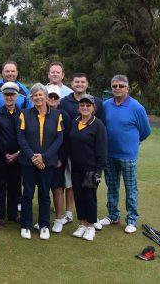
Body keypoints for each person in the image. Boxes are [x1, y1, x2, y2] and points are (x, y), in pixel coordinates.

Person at [99, 75, 151, 234]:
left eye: (121, 86)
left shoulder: (137, 107)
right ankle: (113, 215)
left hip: (128, 156)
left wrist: (132, 143)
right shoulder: (105, 105)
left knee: (130, 188)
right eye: (114, 86)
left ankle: (132, 219)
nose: (118, 89)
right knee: (112, 186)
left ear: (127, 88)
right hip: (109, 154)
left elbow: (145, 131)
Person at [17, 83, 63, 240]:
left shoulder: (57, 115)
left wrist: (43, 157)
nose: (37, 97)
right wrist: (33, 157)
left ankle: (44, 225)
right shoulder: (24, 114)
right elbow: (21, 138)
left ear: (46, 96)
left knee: (44, 194)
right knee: (28, 194)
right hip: (28, 162)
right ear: (31, 98)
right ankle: (26, 225)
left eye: (40, 94)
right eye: (34, 95)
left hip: (47, 162)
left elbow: (59, 139)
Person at [67, 95, 107, 241]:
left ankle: (91, 226)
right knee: (78, 195)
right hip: (76, 167)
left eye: (88, 105)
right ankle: (82, 223)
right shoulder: (75, 121)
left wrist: (99, 170)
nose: (85, 108)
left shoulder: (98, 125)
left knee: (89, 197)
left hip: (91, 168)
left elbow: (102, 150)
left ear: (93, 108)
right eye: (82, 105)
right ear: (79, 107)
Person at [0, 82, 22, 227]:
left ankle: (12, 213)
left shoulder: (23, 114)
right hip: (1, 156)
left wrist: (17, 154)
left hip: (18, 156)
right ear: (2, 96)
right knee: (0, 186)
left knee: (15, 187)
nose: (9, 98)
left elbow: (24, 136)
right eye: (6, 95)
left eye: (12, 95)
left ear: (16, 96)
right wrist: (5, 154)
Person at [46, 85, 71, 234]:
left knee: (57, 189)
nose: (52, 100)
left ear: (59, 99)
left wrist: (61, 158)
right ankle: (44, 219)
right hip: (42, 159)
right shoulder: (39, 113)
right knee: (43, 189)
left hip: (57, 160)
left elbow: (67, 140)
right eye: (50, 97)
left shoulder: (64, 116)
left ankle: (58, 220)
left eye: (55, 97)